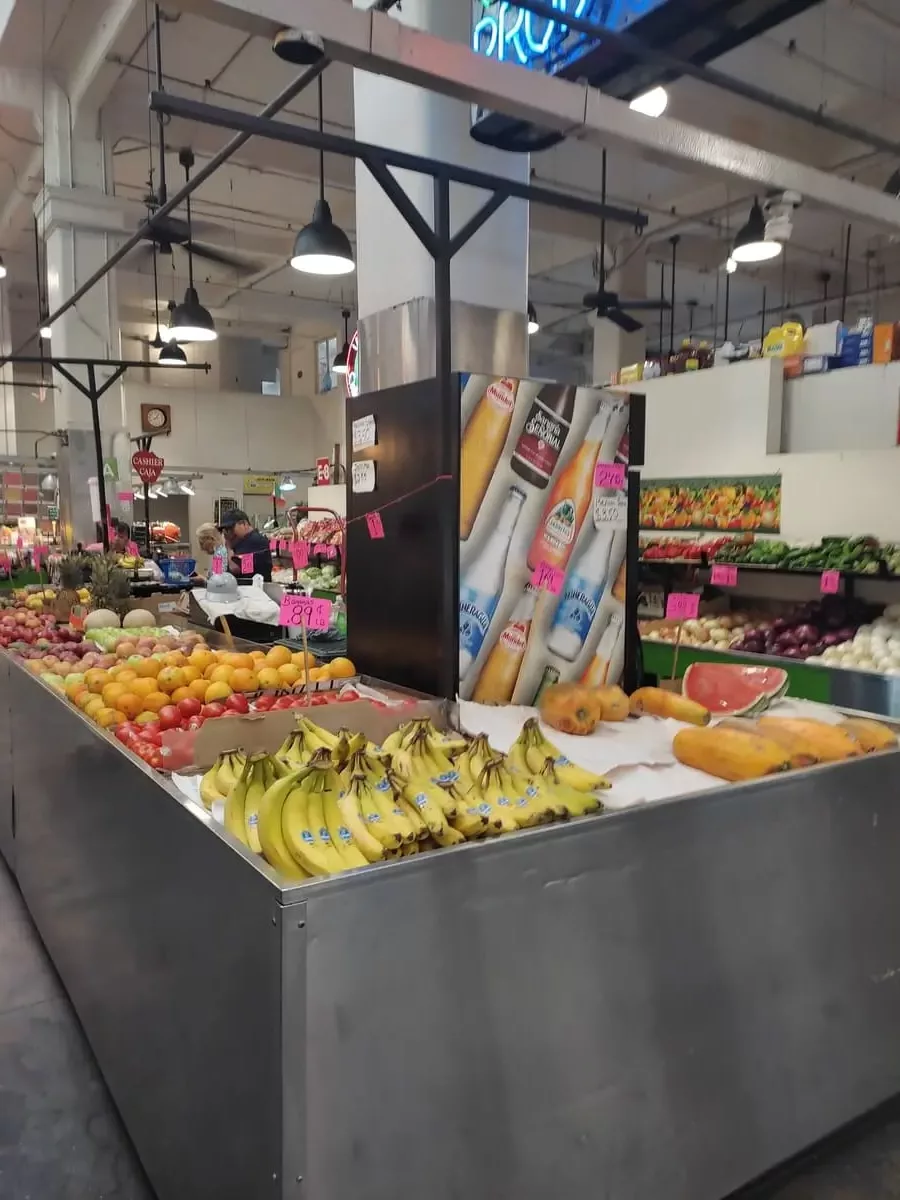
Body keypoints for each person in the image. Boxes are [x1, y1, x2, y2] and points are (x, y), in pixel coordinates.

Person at [218, 509, 273, 582]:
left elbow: (236, 568)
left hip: (255, 591)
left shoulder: (255, 541)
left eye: (230, 528)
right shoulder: (241, 541)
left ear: (244, 524)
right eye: (225, 530)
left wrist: (228, 546)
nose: (228, 533)